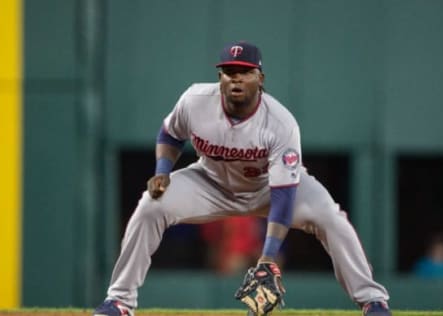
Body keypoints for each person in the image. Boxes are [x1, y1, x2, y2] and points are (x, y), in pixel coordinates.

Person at [93, 41, 391, 316]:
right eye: (229, 72)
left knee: (331, 218)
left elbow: (284, 196)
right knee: (151, 206)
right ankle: (119, 301)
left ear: (260, 79)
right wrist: (162, 171)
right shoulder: (195, 99)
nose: (236, 78)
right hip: (210, 182)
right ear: (220, 77)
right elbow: (170, 134)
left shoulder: (280, 123)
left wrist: (268, 256)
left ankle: (372, 301)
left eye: (245, 73)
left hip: (269, 188)